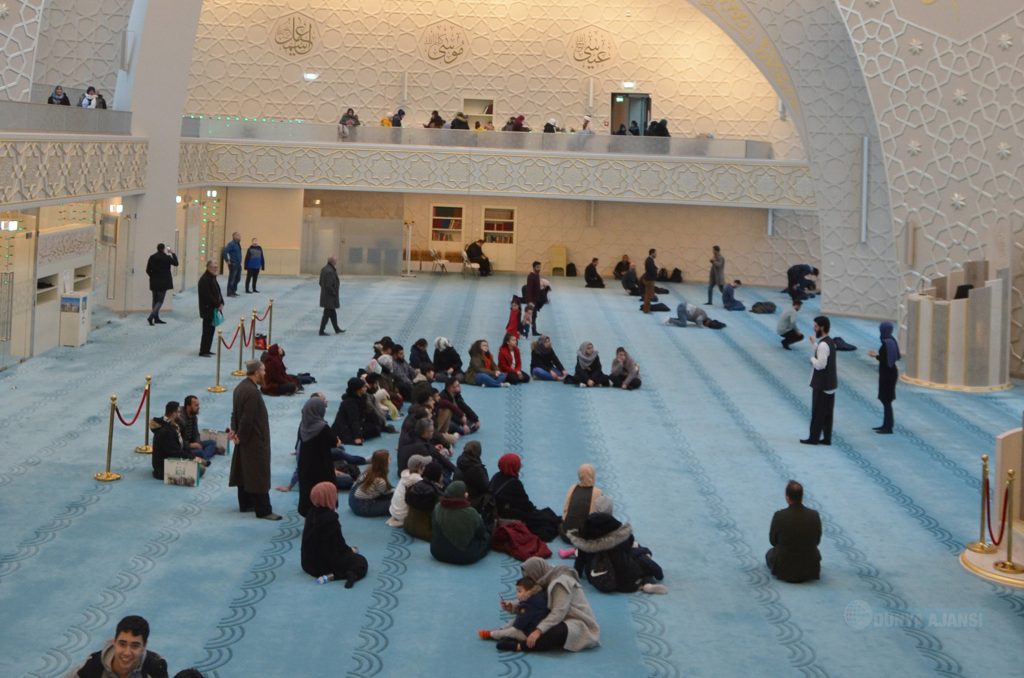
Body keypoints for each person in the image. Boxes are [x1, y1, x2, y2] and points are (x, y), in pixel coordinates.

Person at [230, 360, 281, 520]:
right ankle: (263, 509)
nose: (265, 373)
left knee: (244, 470)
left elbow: (235, 414)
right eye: (263, 371)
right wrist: (240, 436)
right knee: (259, 473)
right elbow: (247, 419)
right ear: (257, 372)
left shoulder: (240, 388)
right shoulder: (252, 392)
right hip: (254, 440)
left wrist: (235, 432)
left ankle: (245, 503)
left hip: (245, 438)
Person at [515, 557, 601, 652]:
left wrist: (538, 631)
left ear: (536, 572)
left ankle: (520, 646)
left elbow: (558, 612)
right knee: (532, 619)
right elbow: (530, 603)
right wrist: (513, 606)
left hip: (578, 622)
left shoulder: (559, 583)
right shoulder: (546, 579)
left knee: (551, 632)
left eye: (529, 577)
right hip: (562, 617)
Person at [568, 512, 667, 594]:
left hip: (602, 580)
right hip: (628, 582)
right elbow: (630, 553)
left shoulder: (586, 546)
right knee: (641, 559)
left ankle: (645, 584)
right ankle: (647, 584)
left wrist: (577, 574)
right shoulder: (621, 540)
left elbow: (579, 564)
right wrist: (644, 551)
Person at [301, 481, 369, 588]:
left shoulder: (311, 513)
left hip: (307, 563)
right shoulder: (330, 519)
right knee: (361, 562)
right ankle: (336, 576)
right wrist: (350, 551)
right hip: (321, 567)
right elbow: (336, 549)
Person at [66, 615, 168, 678]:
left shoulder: (156, 668)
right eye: (122, 644)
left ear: (144, 646)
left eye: (135, 646)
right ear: (114, 642)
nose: (127, 652)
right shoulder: (92, 667)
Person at [489, 453, 561, 541]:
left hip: (495, 510)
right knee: (544, 518)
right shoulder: (514, 483)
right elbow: (525, 505)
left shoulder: (496, 476)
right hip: (505, 513)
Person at [766, 480, 822, 583]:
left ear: (787, 497)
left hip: (784, 569)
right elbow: (817, 541)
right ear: (802, 496)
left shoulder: (779, 516)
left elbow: (773, 541)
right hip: (810, 568)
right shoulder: (814, 515)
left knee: (769, 554)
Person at [297, 395, 339, 517]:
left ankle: (309, 517)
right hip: (322, 466)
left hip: (305, 465)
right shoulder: (322, 427)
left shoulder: (303, 426)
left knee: (307, 491)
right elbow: (335, 442)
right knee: (324, 493)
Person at [431, 480, 491, 564]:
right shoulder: (471, 513)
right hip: (463, 556)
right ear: (464, 495)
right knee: (486, 537)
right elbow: (481, 533)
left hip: (437, 551)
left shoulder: (437, 507)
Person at [479, 577, 548, 648]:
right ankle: (501, 631)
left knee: (513, 631)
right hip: (535, 626)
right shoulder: (538, 595)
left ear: (528, 591)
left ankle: (491, 634)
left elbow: (518, 626)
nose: (517, 594)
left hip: (528, 634)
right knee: (514, 621)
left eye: (519, 591)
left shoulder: (527, 605)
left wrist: (519, 609)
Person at [802, 316, 836, 446]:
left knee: (818, 413)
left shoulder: (823, 345)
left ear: (822, 327)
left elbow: (821, 364)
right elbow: (824, 352)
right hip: (830, 384)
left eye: (815, 326)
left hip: (821, 384)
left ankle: (813, 438)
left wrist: (812, 359)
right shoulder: (829, 342)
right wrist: (814, 344)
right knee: (828, 414)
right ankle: (827, 438)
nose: (814, 328)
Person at [151, 400, 206, 481]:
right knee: (201, 469)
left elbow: (179, 446)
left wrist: (192, 457)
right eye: (179, 412)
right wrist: (193, 458)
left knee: (200, 462)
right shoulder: (167, 431)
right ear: (173, 413)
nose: (180, 414)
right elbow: (175, 452)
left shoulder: (170, 424)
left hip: (169, 458)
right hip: (163, 467)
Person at [868, 321, 900, 434]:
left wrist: (875, 356)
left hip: (888, 375)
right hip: (889, 374)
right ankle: (886, 424)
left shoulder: (887, 343)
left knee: (886, 400)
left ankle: (888, 427)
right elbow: (895, 357)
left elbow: (886, 361)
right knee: (886, 400)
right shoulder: (891, 341)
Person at [332, 377, 382, 445]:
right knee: (371, 430)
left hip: (356, 423)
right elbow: (353, 420)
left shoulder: (361, 398)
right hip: (345, 427)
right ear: (358, 389)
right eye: (363, 387)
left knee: (374, 428)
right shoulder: (350, 402)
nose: (366, 388)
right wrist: (357, 437)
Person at [559, 463, 602, 542]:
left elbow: (565, 511)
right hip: (584, 539)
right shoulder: (598, 492)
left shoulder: (572, 488)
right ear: (593, 475)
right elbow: (600, 517)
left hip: (566, 535)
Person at [388, 454, 431, 527]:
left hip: (393, 511)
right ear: (420, 467)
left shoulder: (406, 474)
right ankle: (404, 521)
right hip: (403, 515)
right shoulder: (417, 480)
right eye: (424, 466)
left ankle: (397, 518)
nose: (425, 468)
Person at [349, 449, 394, 517]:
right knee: (396, 501)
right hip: (362, 507)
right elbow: (386, 493)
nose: (391, 458)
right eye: (389, 458)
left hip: (352, 499)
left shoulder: (369, 470)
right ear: (384, 463)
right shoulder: (380, 480)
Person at [145, 243, 178, 326]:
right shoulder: (167, 258)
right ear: (163, 249)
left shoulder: (152, 257)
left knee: (155, 300)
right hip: (163, 282)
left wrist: (153, 276)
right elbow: (176, 263)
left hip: (154, 282)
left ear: (157, 248)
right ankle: (151, 316)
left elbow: (148, 270)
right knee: (160, 301)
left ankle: (156, 318)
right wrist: (172, 253)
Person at [179, 395, 218, 462]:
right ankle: (206, 457)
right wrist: (191, 445)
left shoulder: (194, 417)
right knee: (200, 452)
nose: (198, 407)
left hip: (192, 443)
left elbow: (196, 433)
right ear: (188, 407)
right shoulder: (180, 419)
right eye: (196, 405)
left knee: (212, 443)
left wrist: (197, 443)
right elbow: (178, 441)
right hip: (184, 447)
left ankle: (204, 456)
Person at [197, 259, 223, 357]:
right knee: (207, 330)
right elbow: (208, 296)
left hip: (213, 308)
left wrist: (222, 302)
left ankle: (207, 349)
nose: (215, 269)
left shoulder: (212, 277)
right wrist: (218, 304)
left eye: (216, 267)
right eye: (213, 267)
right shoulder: (204, 280)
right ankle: (203, 350)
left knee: (211, 330)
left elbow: (218, 291)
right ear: (208, 267)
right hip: (207, 309)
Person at [318, 255, 344, 335]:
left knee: (333, 313)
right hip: (329, 297)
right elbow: (328, 285)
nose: (336, 262)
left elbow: (320, 282)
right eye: (336, 261)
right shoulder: (330, 271)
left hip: (326, 296)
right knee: (327, 314)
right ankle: (321, 331)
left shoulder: (324, 269)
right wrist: (334, 293)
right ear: (333, 262)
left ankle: (336, 329)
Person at [222, 231, 242, 297]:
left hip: (238, 264)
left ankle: (233, 291)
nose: (239, 237)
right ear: (234, 237)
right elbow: (224, 251)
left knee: (238, 278)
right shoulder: (231, 244)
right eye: (237, 235)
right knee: (232, 279)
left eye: (239, 235)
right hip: (233, 264)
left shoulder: (238, 244)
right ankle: (229, 293)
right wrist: (227, 261)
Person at [525, 261, 543, 333]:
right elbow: (529, 290)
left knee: (534, 316)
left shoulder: (537, 275)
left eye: (540, 267)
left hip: (536, 299)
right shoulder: (531, 276)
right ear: (533, 267)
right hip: (532, 301)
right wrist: (530, 302)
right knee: (530, 316)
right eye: (537, 267)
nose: (539, 269)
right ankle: (528, 330)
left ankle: (533, 330)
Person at [642, 249, 658, 313]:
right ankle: (646, 309)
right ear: (652, 253)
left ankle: (646, 308)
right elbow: (651, 271)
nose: (656, 254)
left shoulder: (650, 260)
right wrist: (656, 270)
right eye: (655, 253)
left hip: (649, 279)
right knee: (648, 295)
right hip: (649, 280)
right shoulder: (649, 260)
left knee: (649, 295)